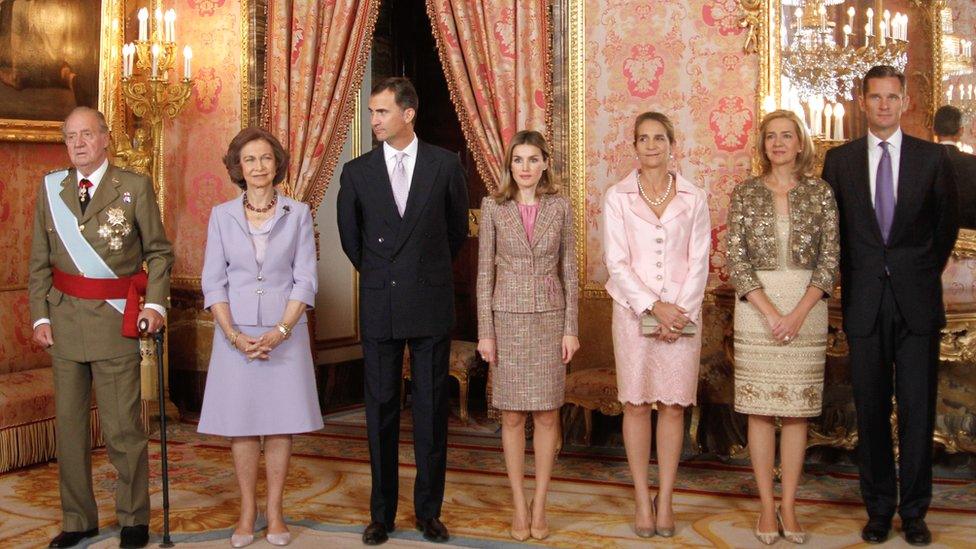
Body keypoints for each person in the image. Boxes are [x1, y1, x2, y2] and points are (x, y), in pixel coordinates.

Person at [821, 65, 959, 546]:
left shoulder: (932, 159)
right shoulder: (838, 162)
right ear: (863, 102)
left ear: (905, 103)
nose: (883, 105)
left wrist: (914, 271)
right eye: (875, 97)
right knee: (871, 411)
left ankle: (916, 512)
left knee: (919, 411)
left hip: (917, 303)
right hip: (863, 304)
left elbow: (945, 229)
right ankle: (879, 510)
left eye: (891, 97)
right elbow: (832, 235)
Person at [28, 106, 173, 549]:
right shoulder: (51, 189)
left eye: (86, 134)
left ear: (106, 138)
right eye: (70, 136)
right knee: (69, 430)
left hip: (116, 322)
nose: (78, 143)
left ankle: (133, 520)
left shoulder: (132, 187)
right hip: (65, 322)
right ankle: (78, 520)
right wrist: (40, 315)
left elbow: (159, 253)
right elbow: (40, 260)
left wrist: (154, 305)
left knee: (122, 429)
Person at [336, 77, 469, 545]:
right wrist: (383, 276)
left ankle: (429, 512)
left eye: (381, 112)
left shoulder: (445, 164)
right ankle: (382, 514)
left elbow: (455, 233)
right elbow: (352, 241)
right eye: (371, 112)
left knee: (432, 412)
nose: (373, 120)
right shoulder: (356, 172)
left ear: (408, 114)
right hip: (381, 301)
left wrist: (423, 271)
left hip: (430, 301)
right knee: (381, 411)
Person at [198, 127, 323, 548]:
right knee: (243, 426)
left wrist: (282, 331)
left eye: (265, 158)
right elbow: (213, 281)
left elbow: (305, 279)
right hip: (235, 334)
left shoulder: (299, 212)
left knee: (280, 424)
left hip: (284, 333)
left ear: (277, 165)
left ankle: (275, 512)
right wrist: (232, 334)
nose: (258, 167)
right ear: (237, 167)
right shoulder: (221, 215)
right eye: (249, 160)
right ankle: (247, 510)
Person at [726, 109, 839, 545]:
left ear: (799, 143)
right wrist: (772, 312)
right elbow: (737, 260)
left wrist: (798, 313)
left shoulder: (821, 193)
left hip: (807, 309)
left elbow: (830, 261)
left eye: (786, 135)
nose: (778, 143)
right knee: (759, 408)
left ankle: (789, 504)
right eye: (770, 136)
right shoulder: (744, 193)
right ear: (763, 144)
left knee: (796, 411)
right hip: (757, 309)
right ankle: (766, 507)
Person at [602, 112, 710, 539]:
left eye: (659, 138)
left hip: (684, 314)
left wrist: (677, 311)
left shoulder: (694, 197)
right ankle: (641, 497)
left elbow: (699, 260)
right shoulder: (617, 196)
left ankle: (665, 498)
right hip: (632, 314)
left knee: (673, 406)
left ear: (672, 144)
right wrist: (653, 307)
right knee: (635, 404)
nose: (651, 145)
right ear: (634, 147)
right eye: (643, 139)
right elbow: (617, 261)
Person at [476, 130, 580, 542]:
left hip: (551, 319)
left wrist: (570, 328)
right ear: (509, 166)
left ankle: (541, 502)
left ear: (544, 164)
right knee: (514, 414)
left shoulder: (561, 206)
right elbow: (485, 274)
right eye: (518, 160)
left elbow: (569, 271)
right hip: (508, 321)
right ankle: (519, 505)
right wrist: (486, 332)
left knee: (549, 413)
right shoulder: (493, 207)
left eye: (533, 159)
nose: (525, 168)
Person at [933, 105, 976, 229]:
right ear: (961, 131)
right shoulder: (973, 163)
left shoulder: (921, 162)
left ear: (934, 130)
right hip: (969, 240)